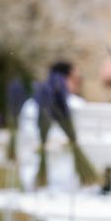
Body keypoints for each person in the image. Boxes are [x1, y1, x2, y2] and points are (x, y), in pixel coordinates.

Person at [17, 60, 87, 192]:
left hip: (31, 175)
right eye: (77, 79)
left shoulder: (29, 106)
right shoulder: (77, 105)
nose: (80, 83)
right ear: (66, 78)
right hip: (68, 181)